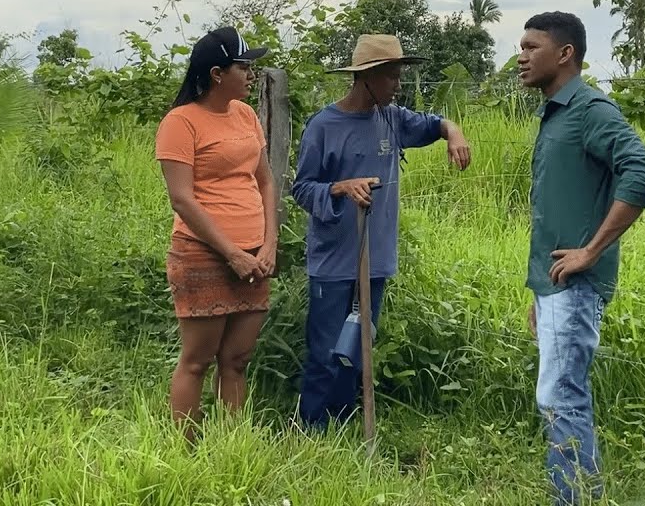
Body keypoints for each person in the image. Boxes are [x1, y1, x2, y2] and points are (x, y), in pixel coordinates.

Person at [517, 12, 645, 503]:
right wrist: (541, 289)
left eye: (531, 46)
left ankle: (575, 497)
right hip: (556, 285)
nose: (521, 56)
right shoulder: (557, 111)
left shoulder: (589, 109)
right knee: (557, 396)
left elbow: (643, 172)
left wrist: (590, 252)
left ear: (565, 54)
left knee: (562, 398)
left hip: (577, 286)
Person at [290, 33, 471, 430]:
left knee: (358, 350)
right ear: (367, 77)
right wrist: (341, 187)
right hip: (334, 261)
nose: (398, 85)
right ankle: (310, 431)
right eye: (392, 76)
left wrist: (453, 132)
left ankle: (343, 424)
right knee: (325, 351)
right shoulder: (324, 126)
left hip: (375, 260)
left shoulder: (393, 119)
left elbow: (437, 124)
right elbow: (302, 188)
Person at [154, 26, 278, 441]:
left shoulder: (245, 115)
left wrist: (268, 244)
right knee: (198, 359)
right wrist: (231, 253)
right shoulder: (180, 122)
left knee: (237, 359)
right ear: (217, 74)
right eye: (243, 66)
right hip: (204, 254)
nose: (250, 74)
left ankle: (230, 444)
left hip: (253, 253)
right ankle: (187, 451)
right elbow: (183, 200)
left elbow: (265, 181)